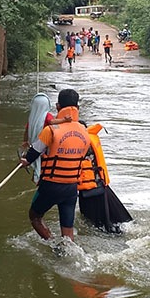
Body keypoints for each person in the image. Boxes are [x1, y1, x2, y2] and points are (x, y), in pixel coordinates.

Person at [20, 89, 91, 242]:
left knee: (35, 216)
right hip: (72, 187)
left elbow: (33, 154)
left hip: (50, 186)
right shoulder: (85, 131)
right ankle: (67, 251)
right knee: (67, 230)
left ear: (58, 106)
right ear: (77, 107)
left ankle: (52, 244)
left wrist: (25, 162)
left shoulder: (51, 130)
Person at [78, 123, 133, 233]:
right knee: (115, 222)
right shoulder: (90, 139)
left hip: (91, 189)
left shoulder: (81, 143)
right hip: (101, 186)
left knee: (97, 225)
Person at [22, 93, 71, 184]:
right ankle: (38, 179)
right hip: (43, 146)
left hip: (33, 146)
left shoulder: (32, 118)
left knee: (36, 162)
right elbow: (52, 122)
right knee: (41, 164)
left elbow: (26, 130)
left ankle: (35, 177)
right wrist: (64, 120)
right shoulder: (46, 115)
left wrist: (25, 141)